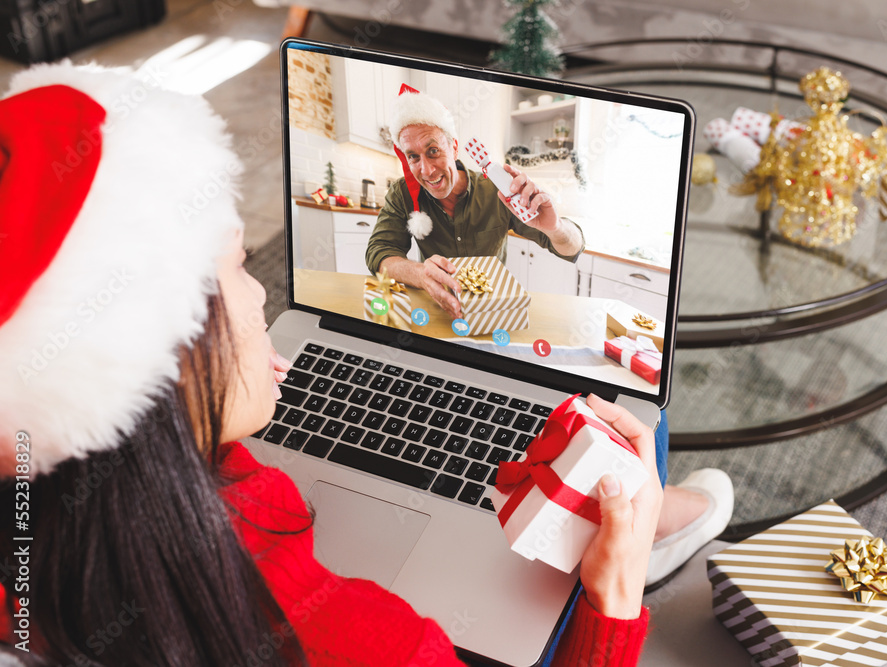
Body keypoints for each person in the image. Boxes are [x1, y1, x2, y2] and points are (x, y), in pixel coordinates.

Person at [0, 63, 730, 666]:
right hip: (427, 328)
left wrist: (553, 224)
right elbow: (384, 254)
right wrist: (618, 598)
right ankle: (633, 535)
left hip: (500, 331)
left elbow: (566, 245)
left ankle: (627, 518)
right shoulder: (376, 646)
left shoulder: (492, 195)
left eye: (432, 152)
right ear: (158, 363)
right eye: (237, 268)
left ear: (452, 146)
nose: (263, 295)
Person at [365, 86, 585, 318]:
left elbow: (572, 248)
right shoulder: (402, 194)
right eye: (413, 157)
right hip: (437, 311)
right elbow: (379, 252)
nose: (427, 170)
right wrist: (421, 275)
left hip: (491, 311)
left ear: (454, 148)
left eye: (433, 151)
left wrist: (556, 228)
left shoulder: (497, 190)